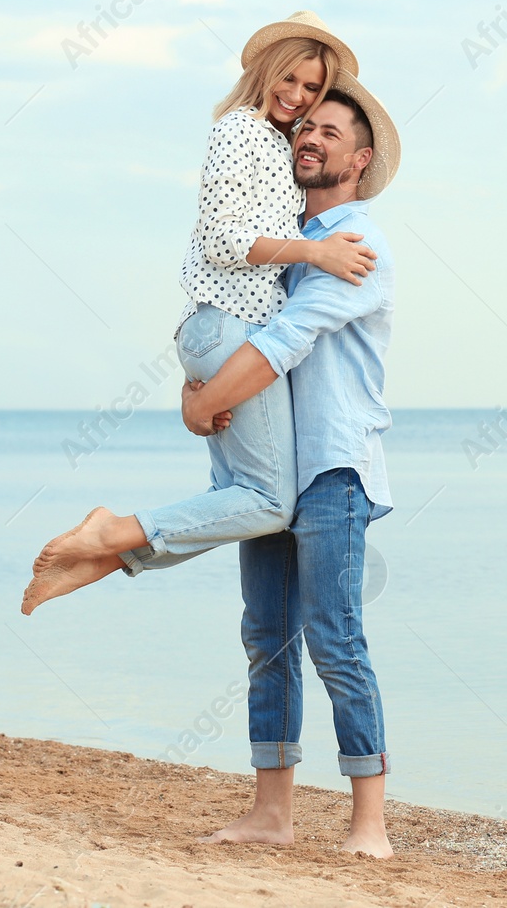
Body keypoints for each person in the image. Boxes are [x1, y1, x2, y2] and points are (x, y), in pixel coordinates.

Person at [22, 12, 376, 615]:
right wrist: (315, 250)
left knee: (239, 498)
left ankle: (108, 556)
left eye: (311, 89)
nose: (296, 97)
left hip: (228, 327)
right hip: (230, 325)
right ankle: (110, 535)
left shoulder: (273, 143)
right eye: (287, 79)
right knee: (269, 503)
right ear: (264, 70)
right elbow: (220, 240)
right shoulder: (239, 130)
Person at [179, 74, 401, 857]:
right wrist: (196, 383)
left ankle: (368, 823)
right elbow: (240, 324)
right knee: (266, 637)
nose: (309, 137)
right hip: (275, 468)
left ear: (361, 158)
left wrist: (201, 406)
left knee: (336, 637)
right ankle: (272, 813)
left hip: (334, 471)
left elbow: (282, 342)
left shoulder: (356, 246)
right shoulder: (289, 251)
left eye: (330, 132)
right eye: (304, 126)